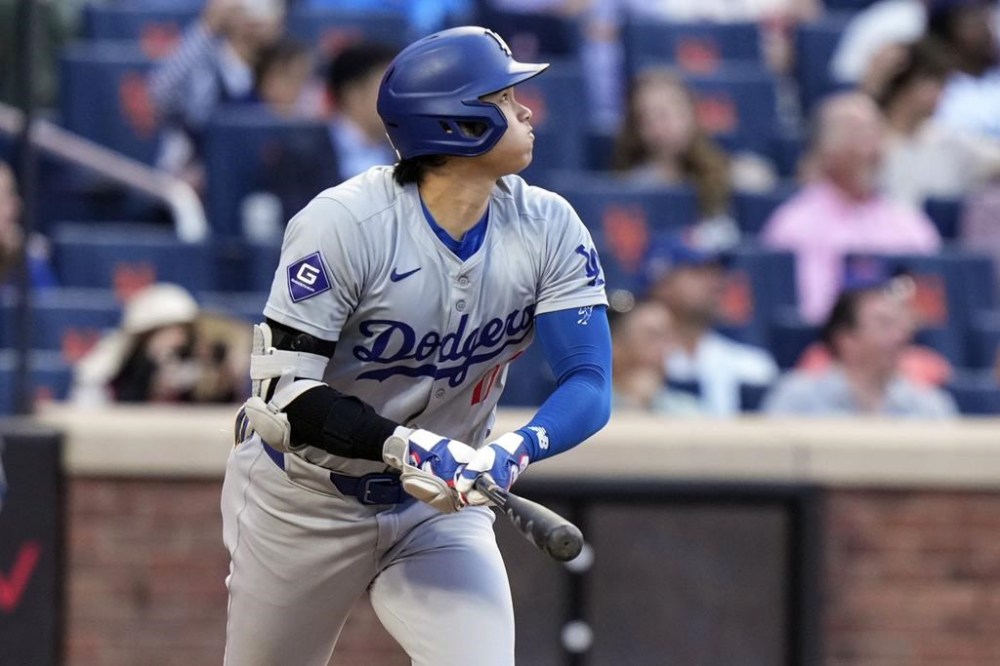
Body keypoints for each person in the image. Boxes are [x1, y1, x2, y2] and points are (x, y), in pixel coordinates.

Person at [224, 26, 612, 665]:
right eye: (503, 98)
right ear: (456, 124)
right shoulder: (346, 222)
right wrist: (407, 445)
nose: (525, 109)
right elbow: (283, 396)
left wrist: (513, 451)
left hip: (441, 507)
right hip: (308, 498)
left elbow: (590, 384)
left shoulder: (548, 224)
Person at [761, 91, 941, 323]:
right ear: (826, 151)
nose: (871, 149)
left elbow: (932, 308)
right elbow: (808, 313)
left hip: (905, 350)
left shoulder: (910, 224)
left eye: (876, 135)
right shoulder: (793, 226)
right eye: (857, 136)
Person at [613, 68, 776, 250]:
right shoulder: (636, 187)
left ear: (691, 113)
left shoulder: (731, 171)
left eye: (666, 113)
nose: (660, 126)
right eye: (647, 118)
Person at [762, 277, 958, 416]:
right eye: (884, 324)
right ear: (845, 338)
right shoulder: (796, 398)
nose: (900, 336)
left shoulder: (929, 405)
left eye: (902, 326)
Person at [148, 0, 285, 189]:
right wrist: (206, 28)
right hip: (197, 181)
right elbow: (160, 92)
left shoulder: (280, 69)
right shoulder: (205, 67)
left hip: (255, 182)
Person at [641, 231, 778, 416]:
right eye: (698, 272)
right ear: (662, 283)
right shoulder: (633, 363)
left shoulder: (753, 365)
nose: (716, 283)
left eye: (717, 272)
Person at [70, 283, 251, 405]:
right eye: (169, 331)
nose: (179, 339)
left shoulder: (202, 370)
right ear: (144, 336)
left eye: (183, 331)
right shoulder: (103, 380)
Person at [877, 38, 1000, 207]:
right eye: (934, 83)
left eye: (943, 84)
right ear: (906, 83)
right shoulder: (868, 145)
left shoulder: (949, 140)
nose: (941, 93)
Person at [610, 298, 703, 415]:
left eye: (668, 338)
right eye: (653, 336)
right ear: (616, 345)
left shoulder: (687, 409)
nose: (666, 348)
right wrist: (633, 402)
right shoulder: (591, 405)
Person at [325, 41, 399, 181]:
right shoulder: (304, 155)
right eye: (391, 89)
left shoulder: (407, 156)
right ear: (353, 95)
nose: (400, 100)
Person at [928, 0, 1000, 139]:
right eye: (972, 20)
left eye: (983, 15)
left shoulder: (994, 76)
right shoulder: (940, 96)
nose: (984, 27)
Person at [0, 159, 57, 289]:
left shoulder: (29, 261)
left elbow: (46, 305)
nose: (14, 207)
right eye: (1, 200)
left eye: (11, 196)